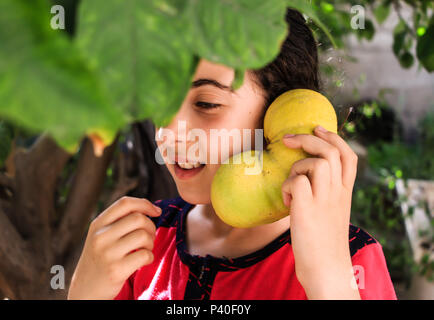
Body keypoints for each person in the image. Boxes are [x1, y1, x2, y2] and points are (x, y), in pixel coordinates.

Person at [67, 9, 397, 300]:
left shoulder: (352, 259)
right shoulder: (140, 243)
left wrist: (328, 279)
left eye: (206, 104)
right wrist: (84, 293)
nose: (169, 132)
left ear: (278, 113)